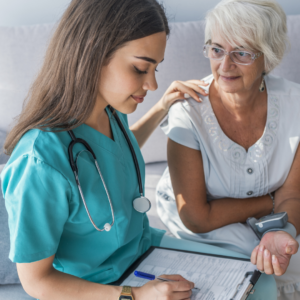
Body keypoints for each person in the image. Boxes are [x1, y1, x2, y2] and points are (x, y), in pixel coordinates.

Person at [1, 0, 277, 299]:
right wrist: (133, 296)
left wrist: (162, 107)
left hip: (145, 252)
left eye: (155, 68)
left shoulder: (109, 111)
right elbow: (37, 281)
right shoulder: (39, 162)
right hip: (98, 287)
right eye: (141, 68)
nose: (153, 83)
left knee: (259, 281)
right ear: (94, 54)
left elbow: (112, 156)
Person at [156, 0, 300, 298]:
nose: (225, 65)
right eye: (217, 49)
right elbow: (197, 216)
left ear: (268, 56)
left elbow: (293, 195)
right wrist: (271, 202)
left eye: (242, 53)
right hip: (203, 223)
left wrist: (283, 231)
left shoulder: (296, 105)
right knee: (254, 263)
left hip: (271, 216)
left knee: (284, 256)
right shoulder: (188, 111)